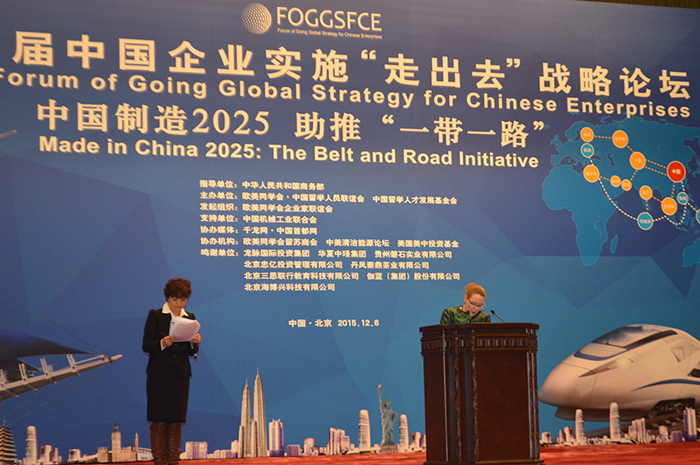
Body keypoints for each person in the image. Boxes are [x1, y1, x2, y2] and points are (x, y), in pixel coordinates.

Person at [142, 278, 201, 465]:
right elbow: (146, 345)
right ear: (167, 298)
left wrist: (194, 343)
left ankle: (174, 461)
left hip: (180, 375)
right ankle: (160, 461)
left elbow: (191, 352)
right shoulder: (156, 315)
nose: (179, 304)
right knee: (159, 421)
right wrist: (162, 343)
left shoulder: (190, 317)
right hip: (159, 375)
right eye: (175, 300)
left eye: (183, 300)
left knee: (175, 422)